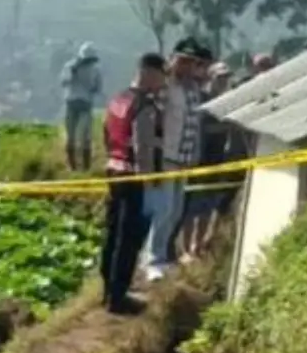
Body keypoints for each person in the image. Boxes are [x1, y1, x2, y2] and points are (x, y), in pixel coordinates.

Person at [99, 53, 165, 315]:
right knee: (129, 239)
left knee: (113, 233)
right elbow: (144, 147)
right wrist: (150, 180)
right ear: (150, 72)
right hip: (133, 177)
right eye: (161, 76)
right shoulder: (144, 106)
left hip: (113, 170)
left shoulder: (119, 99)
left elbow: (106, 131)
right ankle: (118, 297)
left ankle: (107, 290)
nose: (162, 83)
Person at [144, 37, 210, 281]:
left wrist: (194, 156)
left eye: (191, 62)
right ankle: (153, 261)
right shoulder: (165, 86)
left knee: (176, 212)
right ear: (174, 60)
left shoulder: (193, 90)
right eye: (182, 61)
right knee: (163, 210)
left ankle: (163, 256)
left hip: (185, 159)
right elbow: (154, 119)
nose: (187, 67)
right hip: (166, 157)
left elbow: (194, 126)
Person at [181, 62, 237, 261]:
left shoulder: (226, 102)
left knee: (207, 206)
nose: (223, 81)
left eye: (225, 78)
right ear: (211, 78)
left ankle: (197, 247)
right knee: (192, 208)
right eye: (219, 77)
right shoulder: (202, 101)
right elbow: (201, 128)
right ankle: (186, 248)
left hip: (217, 160)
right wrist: (225, 126)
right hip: (198, 160)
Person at [60, 42, 102, 171]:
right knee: (75, 136)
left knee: (81, 136)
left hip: (77, 103)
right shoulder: (72, 67)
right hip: (79, 103)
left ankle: (81, 166)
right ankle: (76, 166)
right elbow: (97, 88)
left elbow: (63, 82)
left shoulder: (93, 69)